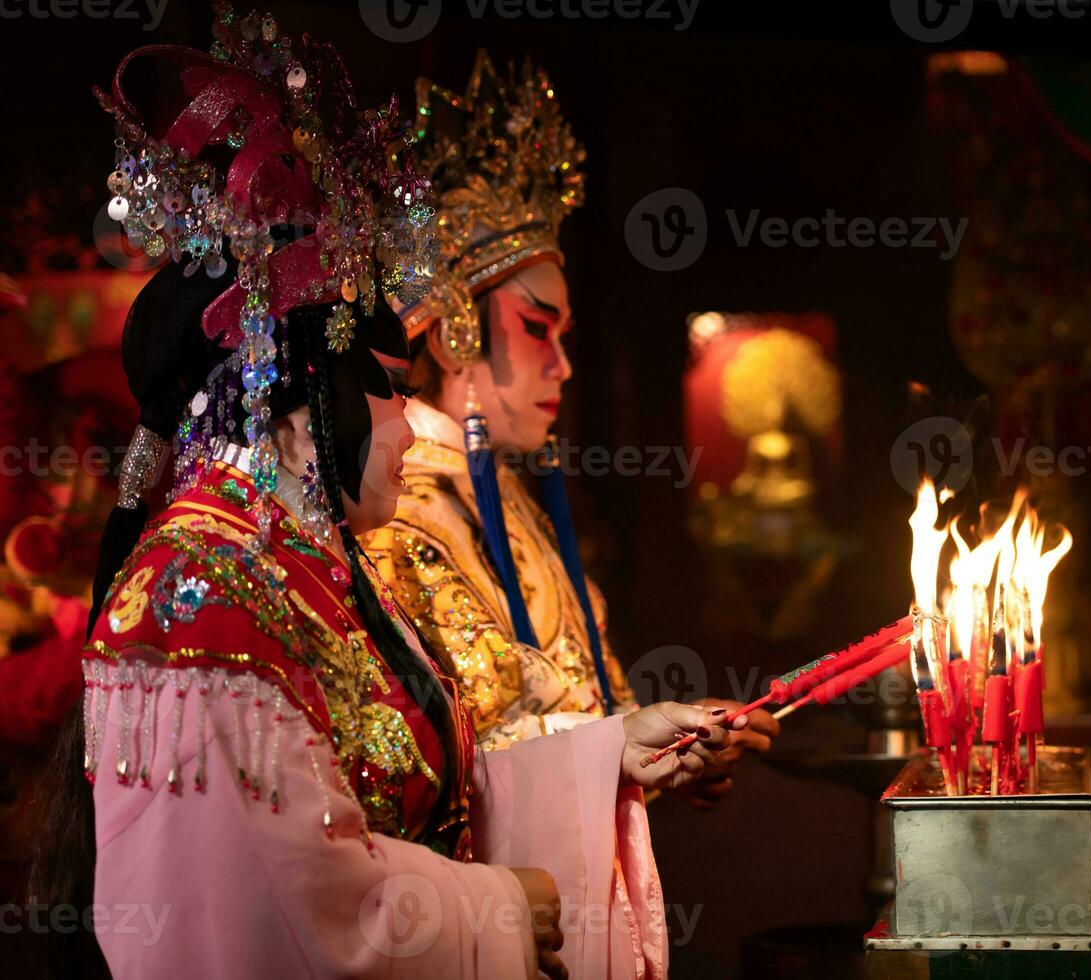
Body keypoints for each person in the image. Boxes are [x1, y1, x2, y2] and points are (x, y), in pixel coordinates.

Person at [29, 12, 739, 979]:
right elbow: (277, 918)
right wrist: (502, 907)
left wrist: (606, 756)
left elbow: (427, 800)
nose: (410, 425)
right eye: (392, 390)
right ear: (299, 395)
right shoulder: (203, 602)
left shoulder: (310, 569)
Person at [363, 54, 777, 805]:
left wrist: (678, 745)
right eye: (534, 328)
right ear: (456, 331)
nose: (562, 366)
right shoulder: (392, 510)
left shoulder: (506, 495)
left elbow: (592, 716)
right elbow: (453, 764)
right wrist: (625, 747)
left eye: (564, 336)